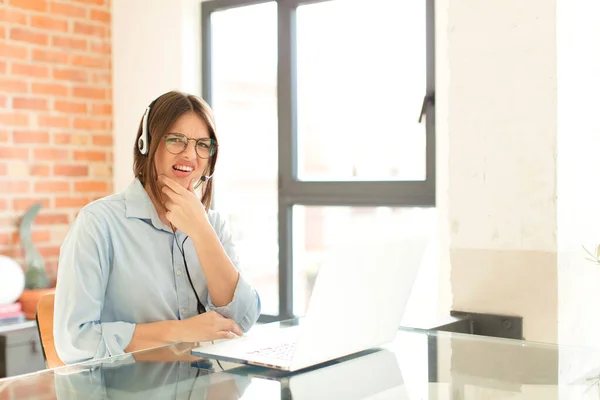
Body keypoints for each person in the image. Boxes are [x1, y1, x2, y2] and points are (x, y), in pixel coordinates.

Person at [54, 91, 261, 365]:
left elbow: (241, 322)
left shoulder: (214, 226)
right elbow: (74, 342)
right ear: (147, 144)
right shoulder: (98, 223)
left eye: (202, 144)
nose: (190, 154)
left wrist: (200, 231)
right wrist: (180, 332)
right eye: (176, 140)